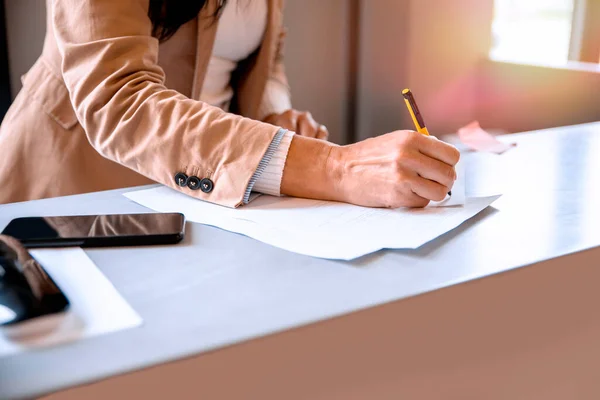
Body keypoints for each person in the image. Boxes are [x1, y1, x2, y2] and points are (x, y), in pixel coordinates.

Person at [0, 0, 459, 208]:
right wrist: (337, 167)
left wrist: (275, 111)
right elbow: (119, 99)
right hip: (72, 183)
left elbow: (268, 53)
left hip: (195, 185)